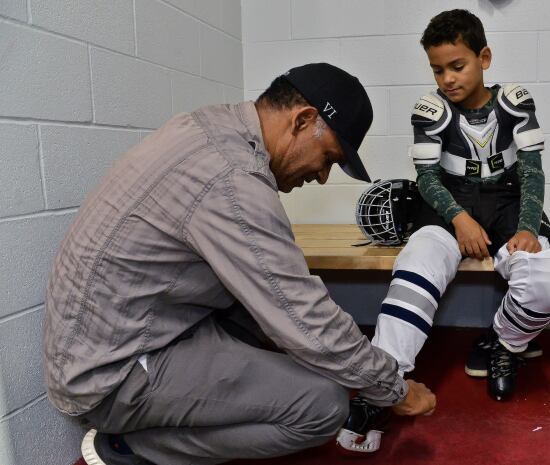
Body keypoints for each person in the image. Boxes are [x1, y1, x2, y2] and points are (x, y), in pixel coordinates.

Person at [42, 62, 436, 465]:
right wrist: (393, 388)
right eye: (329, 158)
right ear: (302, 120)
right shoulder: (232, 180)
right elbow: (304, 316)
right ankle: (132, 449)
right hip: (109, 376)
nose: (321, 176)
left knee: (277, 322)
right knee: (323, 405)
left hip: (127, 333)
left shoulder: (208, 128)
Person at [337, 8, 550, 452]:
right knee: (415, 269)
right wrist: (459, 217)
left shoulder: (515, 102)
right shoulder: (430, 111)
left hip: (507, 200)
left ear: (484, 57)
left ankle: (503, 343)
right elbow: (427, 177)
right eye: (437, 68)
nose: (446, 78)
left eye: (457, 65)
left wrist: (526, 226)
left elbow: (533, 172)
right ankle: (383, 385)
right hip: (448, 202)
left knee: (549, 276)